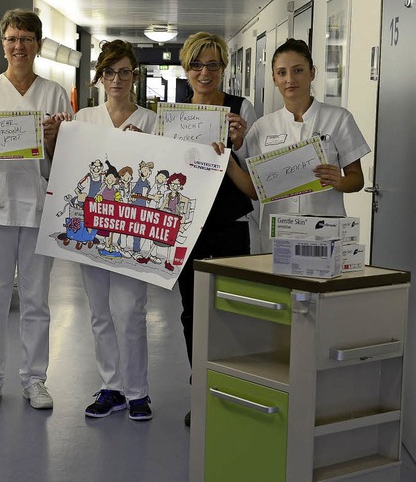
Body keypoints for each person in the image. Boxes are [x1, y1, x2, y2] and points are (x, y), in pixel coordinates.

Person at [0, 9, 72, 411]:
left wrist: (57, 137)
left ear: (37, 44)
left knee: (37, 299)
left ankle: (34, 380)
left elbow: (65, 159)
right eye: (11, 38)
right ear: (2, 44)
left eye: (26, 38)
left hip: (39, 206)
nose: (18, 46)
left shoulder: (55, 93)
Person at [177, 32, 258, 427]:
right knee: (192, 313)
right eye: (196, 65)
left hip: (230, 224)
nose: (204, 73)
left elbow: (256, 181)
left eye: (212, 64)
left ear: (224, 68)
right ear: (185, 69)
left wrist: (238, 145)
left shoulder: (242, 109)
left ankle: (231, 388)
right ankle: (200, 390)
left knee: (231, 311)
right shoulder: (174, 115)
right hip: (188, 226)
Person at [74, 39, 157, 420]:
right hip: (94, 229)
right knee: (100, 313)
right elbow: (71, 169)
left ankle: (138, 391)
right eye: (110, 72)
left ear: (134, 76)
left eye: (125, 71)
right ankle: (112, 387)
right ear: (100, 77)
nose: (117, 79)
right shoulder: (84, 120)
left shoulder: (153, 122)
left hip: (131, 230)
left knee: (131, 311)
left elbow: (163, 176)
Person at [233, 38, 370, 252]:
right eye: (282, 73)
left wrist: (339, 181)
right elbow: (253, 186)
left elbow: (357, 179)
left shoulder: (339, 118)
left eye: (298, 70)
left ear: (312, 73)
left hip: (326, 234)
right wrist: (235, 146)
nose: (290, 79)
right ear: (274, 78)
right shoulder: (263, 127)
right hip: (277, 236)